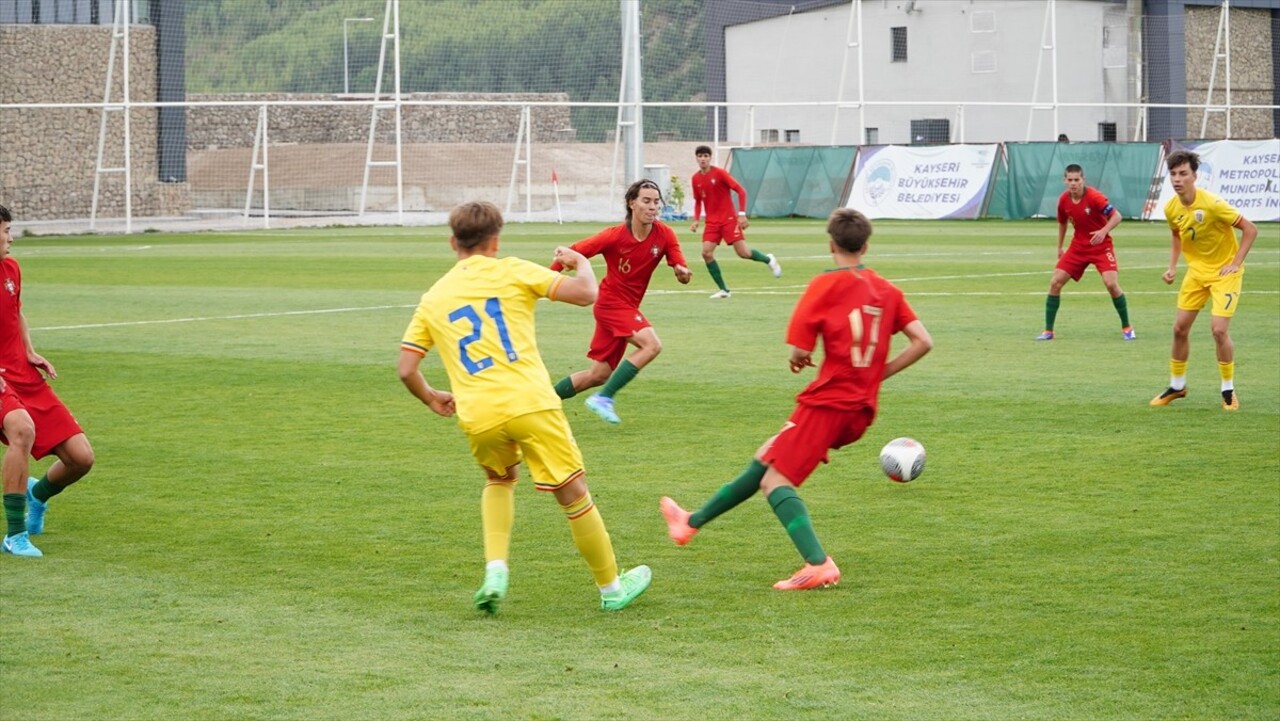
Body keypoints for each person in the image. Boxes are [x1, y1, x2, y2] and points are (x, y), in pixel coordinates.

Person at [398, 200, 651, 613]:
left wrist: (431, 396)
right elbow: (587, 294)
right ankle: (611, 589)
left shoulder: (434, 297)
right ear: (495, 241)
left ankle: (496, 569)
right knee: (574, 496)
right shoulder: (512, 268)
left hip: (477, 413)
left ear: (452, 242)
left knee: (499, 480)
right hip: (532, 402)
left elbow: (407, 367)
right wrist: (578, 260)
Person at [660, 208, 932, 590]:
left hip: (828, 402)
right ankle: (689, 523)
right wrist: (877, 373)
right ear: (865, 245)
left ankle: (819, 563)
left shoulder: (824, 286)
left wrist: (799, 357)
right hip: (860, 409)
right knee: (767, 453)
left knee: (775, 481)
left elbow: (796, 352)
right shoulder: (888, 291)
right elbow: (923, 341)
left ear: (830, 244)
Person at [550, 179, 692, 425]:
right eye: (646, 201)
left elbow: (681, 267)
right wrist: (545, 279)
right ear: (632, 203)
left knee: (598, 374)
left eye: (656, 202)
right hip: (611, 304)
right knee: (651, 345)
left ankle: (541, 401)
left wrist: (682, 272)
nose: (652, 207)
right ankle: (604, 399)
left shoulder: (665, 234)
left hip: (625, 307)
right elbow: (572, 252)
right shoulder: (614, 236)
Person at [0, 205, 96, 558]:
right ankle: (14, 535)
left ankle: (36, 494)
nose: (11, 237)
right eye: (7, 229)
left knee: (81, 458)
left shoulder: (11, 268)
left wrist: (30, 350)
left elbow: (16, 311)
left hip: (20, 373)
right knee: (21, 430)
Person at [1151, 150, 1258, 411]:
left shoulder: (1212, 204)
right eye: (1173, 174)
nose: (1177, 179)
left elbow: (1250, 229)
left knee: (1218, 330)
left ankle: (1228, 390)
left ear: (1194, 176)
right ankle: (1177, 386)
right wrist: (1173, 267)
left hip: (1224, 274)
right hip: (1196, 273)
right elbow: (1177, 235)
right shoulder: (1171, 207)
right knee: (1179, 329)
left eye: (1183, 173)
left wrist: (1235, 264)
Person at [1035, 164, 1134, 341]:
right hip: (1078, 247)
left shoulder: (1095, 197)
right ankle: (1048, 331)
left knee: (1111, 284)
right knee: (1055, 282)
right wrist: (1059, 247)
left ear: (1083, 180)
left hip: (1101, 246)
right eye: (1070, 180)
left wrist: (1103, 231)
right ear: (1065, 181)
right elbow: (1063, 223)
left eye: (1077, 180)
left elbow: (1117, 216)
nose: (1073, 183)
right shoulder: (1063, 200)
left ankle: (1127, 327)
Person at [690, 145, 781, 299]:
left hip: (728, 220)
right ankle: (724, 290)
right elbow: (698, 201)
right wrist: (696, 220)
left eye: (705, 155)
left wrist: (741, 214)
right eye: (700, 156)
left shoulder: (720, 173)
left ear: (710, 158)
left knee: (744, 253)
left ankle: (768, 259)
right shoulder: (695, 178)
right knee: (706, 253)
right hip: (712, 223)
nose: (703, 158)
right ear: (696, 158)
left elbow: (741, 191)